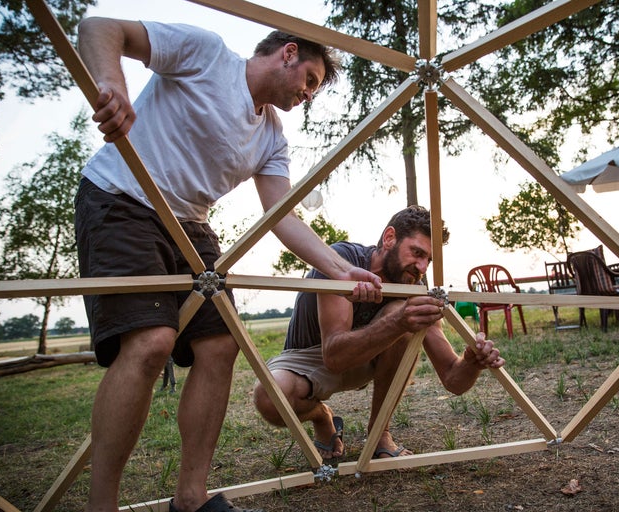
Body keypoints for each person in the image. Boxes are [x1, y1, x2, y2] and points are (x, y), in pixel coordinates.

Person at [74, 17, 383, 512]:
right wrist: (111, 84)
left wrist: (340, 270)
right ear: (287, 52)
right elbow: (100, 28)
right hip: (121, 198)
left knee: (220, 346)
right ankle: (100, 506)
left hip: (190, 225)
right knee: (152, 343)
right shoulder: (206, 53)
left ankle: (191, 500)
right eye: (310, 80)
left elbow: (283, 216)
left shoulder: (272, 137)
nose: (309, 94)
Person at [253, 206, 506, 461]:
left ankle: (379, 434)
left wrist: (472, 362)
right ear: (389, 238)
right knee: (269, 398)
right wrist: (398, 321)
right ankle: (322, 417)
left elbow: (453, 379)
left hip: (367, 356)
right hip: (310, 356)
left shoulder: (413, 288)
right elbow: (334, 357)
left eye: (428, 260)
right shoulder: (342, 260)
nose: (421, 267)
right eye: (417, 253)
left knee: (406, 316)